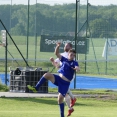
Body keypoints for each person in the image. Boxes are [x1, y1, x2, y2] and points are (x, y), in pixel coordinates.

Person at [27, 42, 80, 117]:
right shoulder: (64, 59)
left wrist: (77, 68)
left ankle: (62, 115)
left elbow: (78, 68)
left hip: (65, 83)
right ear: (68, 54)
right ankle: (36, 88)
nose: (72, 56)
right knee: (46, 75)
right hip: (59, 79)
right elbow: (56, 53)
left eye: (74, 55)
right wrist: (58, 46)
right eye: (71, 55)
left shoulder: (74, 62)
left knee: (59, 100)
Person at [50, 42, 77, 116]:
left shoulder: (71, 56)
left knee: (63, 94)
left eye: (67, 46)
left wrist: (76, 68)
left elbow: (75, 65)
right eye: (65, 46)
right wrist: (53, 61)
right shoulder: (63, 54)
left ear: (70, 48)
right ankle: (70, 107)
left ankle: (73, 99)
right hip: (61, 76)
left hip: (67, 77)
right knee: (63, 95)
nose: (65, 47)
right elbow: (57, 65)